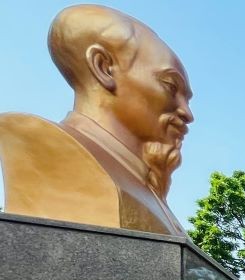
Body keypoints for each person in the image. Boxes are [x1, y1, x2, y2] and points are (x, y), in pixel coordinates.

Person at [0, 5, 193, 235]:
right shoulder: (42, 146)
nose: (187, 114)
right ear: (104, 68)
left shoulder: (149, 187)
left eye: (187, 99)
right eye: (171, 86)